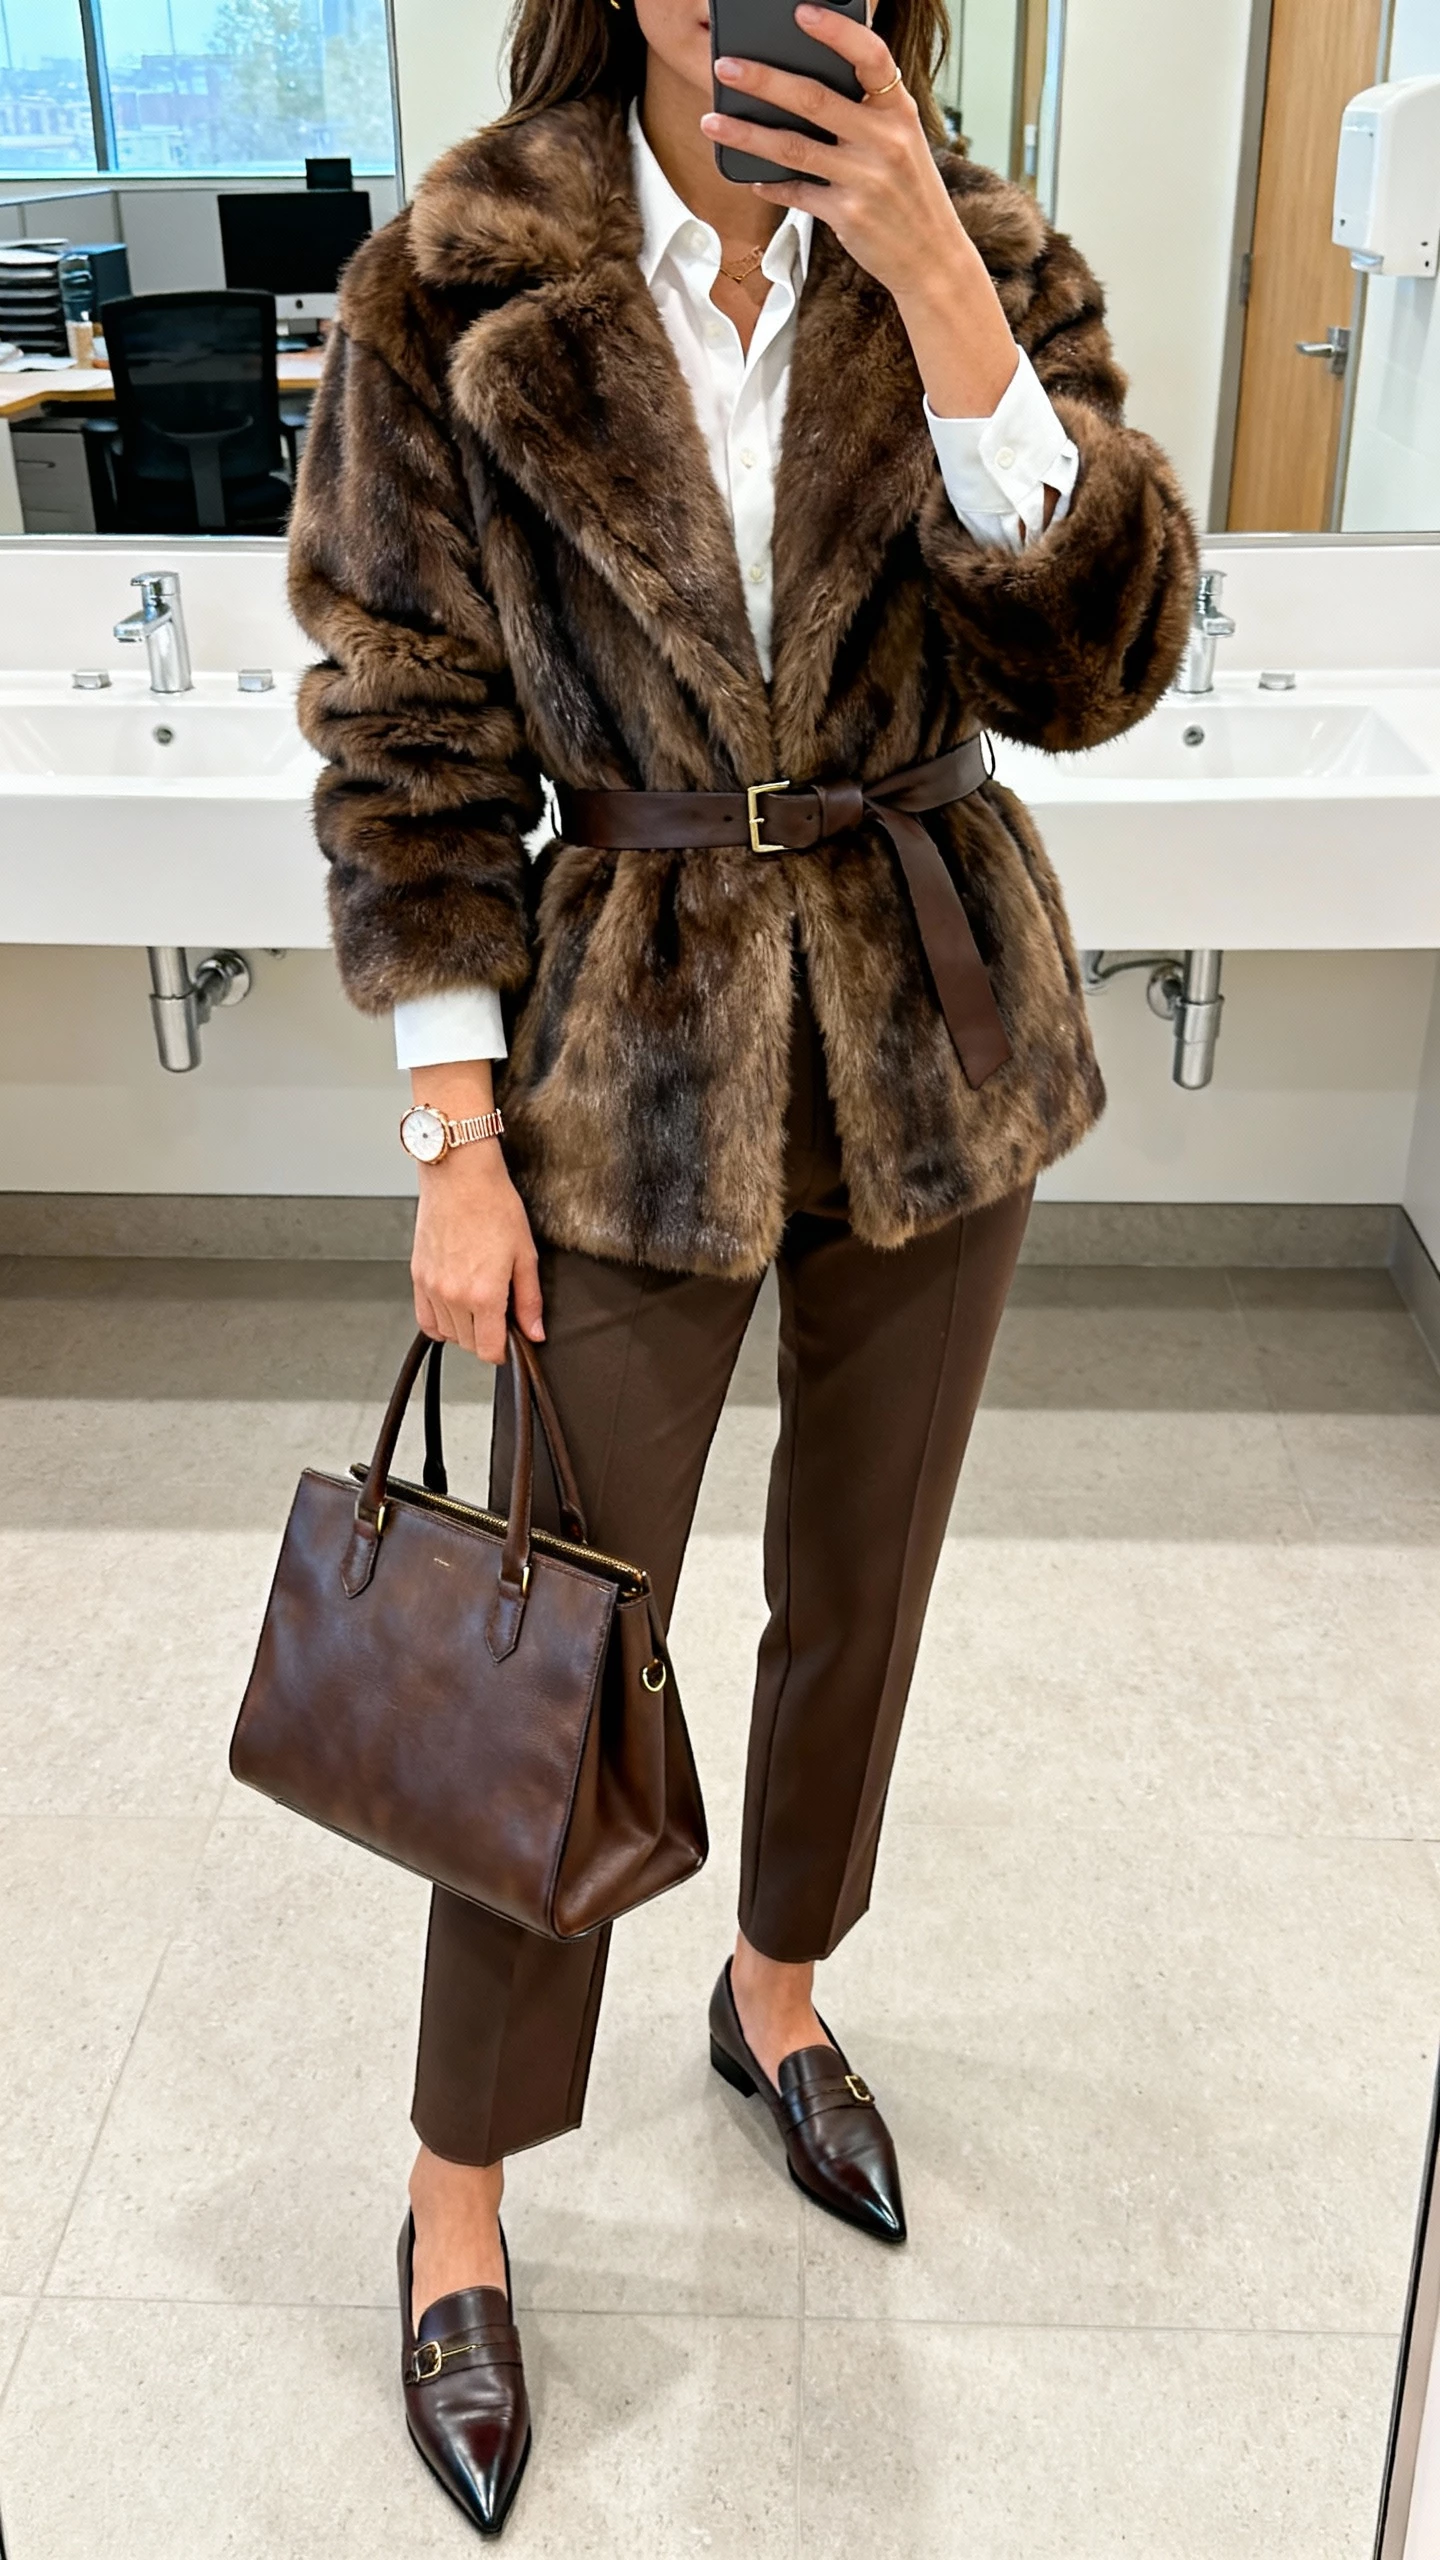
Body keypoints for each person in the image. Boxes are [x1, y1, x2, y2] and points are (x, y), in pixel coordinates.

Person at [288, 0, 1197, 2532]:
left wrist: (944, 292)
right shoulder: (457, 270)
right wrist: (453, 1124)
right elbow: (404, 710)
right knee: (551, 1644)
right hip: (631, 1028)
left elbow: (1099, 667)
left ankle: (775, 1990)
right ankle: (454, 2192)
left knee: (859, 1592)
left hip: (936, 1014)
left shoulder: (971, 247)